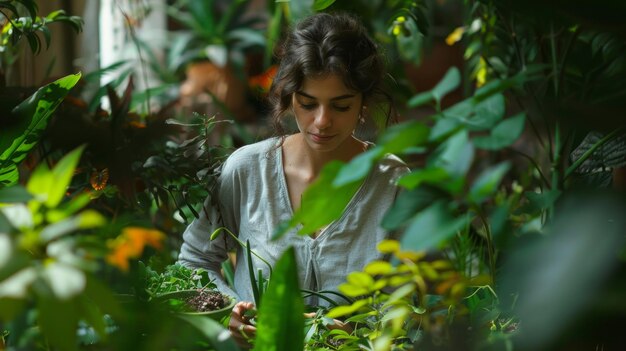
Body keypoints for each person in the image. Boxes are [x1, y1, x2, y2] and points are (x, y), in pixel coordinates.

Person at [178, 12, 409, 348]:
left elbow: (419, 296)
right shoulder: (247, 170)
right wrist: (225, 310)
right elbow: (194, 262)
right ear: (288, 97)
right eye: (308, 103)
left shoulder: (394, 184)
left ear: (363, 103)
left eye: (341, 106)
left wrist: (362, 333)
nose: (322, 121)